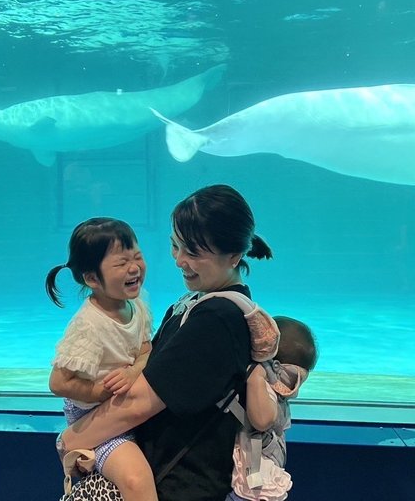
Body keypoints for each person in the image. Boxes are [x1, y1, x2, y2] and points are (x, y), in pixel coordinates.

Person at [58, 184, 274, 501]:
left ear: (234, 255)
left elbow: (137, 404)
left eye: (193, 252)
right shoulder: (195, 303)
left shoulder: (216, 319)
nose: (179, 260)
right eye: (176, 246)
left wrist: (70, 438)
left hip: (176, 485)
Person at [46, 217, 157, 501]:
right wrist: (98, 392)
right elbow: (59, 382)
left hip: (125, 406)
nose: (134, 267)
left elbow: (145, 350)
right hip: (94, 417)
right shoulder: (89, 326)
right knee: (137, 480)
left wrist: (134, 372)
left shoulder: (137, 305)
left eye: (137, 257)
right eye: (121, 263)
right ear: (92, 278)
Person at [229, 316, 318, 501]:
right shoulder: (261, 384)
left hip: (257, 480)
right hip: (253, 485)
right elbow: (262, 420)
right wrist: (256, 379)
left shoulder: (266, 385)